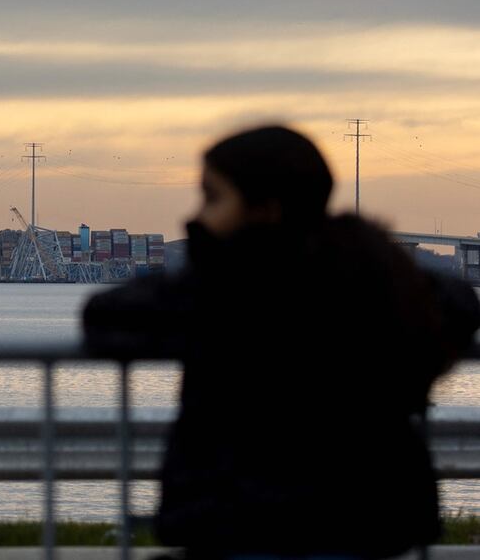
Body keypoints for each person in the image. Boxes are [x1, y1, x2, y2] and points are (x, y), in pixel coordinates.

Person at [82, 125, 480, 559]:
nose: (196, 216)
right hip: (364, 521)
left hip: (238, 520)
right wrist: (371, 257)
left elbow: (107, 316)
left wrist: (209, 255)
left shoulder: (223, 290)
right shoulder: (370, 286)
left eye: (213, 198)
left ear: (265, 208)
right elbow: (459, 304)